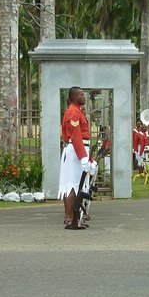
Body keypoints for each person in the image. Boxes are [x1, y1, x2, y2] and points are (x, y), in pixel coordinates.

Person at [58, 86, 91, 230]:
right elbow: (76, 136)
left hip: (77, 150)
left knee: (72, 185)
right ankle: (71, 218)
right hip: (77, 150)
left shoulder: (76, 111)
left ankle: (70, 217)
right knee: (72, 185)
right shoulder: (73, 113)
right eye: (81, 95)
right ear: (74, 97)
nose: (84, 97)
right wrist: (83, 156)